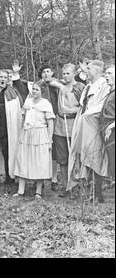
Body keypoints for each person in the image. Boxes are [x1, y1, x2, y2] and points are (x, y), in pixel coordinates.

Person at [68, 60, 110, 203]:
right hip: (83, 124)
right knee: (83, 156)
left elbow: (102, 106)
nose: (87, 71)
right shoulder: (88, 87)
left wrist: (87, 115)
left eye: (89, 69)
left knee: (94, 157)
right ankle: (86, 191)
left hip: (94, 124)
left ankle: (98, 193)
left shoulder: (104, 86)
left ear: (97, 71)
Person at [13, 83, 56, 199]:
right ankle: (21, 190)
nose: (34, 92)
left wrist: (49, 139)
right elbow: (23, 118)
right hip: (27, 133)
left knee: (39, 161)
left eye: (37, 90)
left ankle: (38, 191)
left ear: (42, 91)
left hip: (40, 134)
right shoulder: (28, 102)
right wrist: (22, 131)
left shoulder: (45, 104)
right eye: (33, 89)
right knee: (23, 159)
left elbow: (50, 123)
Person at [47, 64, 85, 194]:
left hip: (73, 123)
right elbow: (48, 81)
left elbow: (84, 107)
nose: (65, 76)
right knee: (62, 157)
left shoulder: (80, 87)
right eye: (63, 73)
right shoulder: (59, 85)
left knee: (74, 156)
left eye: (68, 73)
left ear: (74, 73)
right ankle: (65, 185)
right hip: (60, 125)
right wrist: (61, 86)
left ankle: (76, 185)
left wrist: (71, 110)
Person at [100, 64, 115, 179]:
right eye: (105, 73)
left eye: (110, 73)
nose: (106, 76)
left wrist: (111, 127)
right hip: (106, 132)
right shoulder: (110, 92)